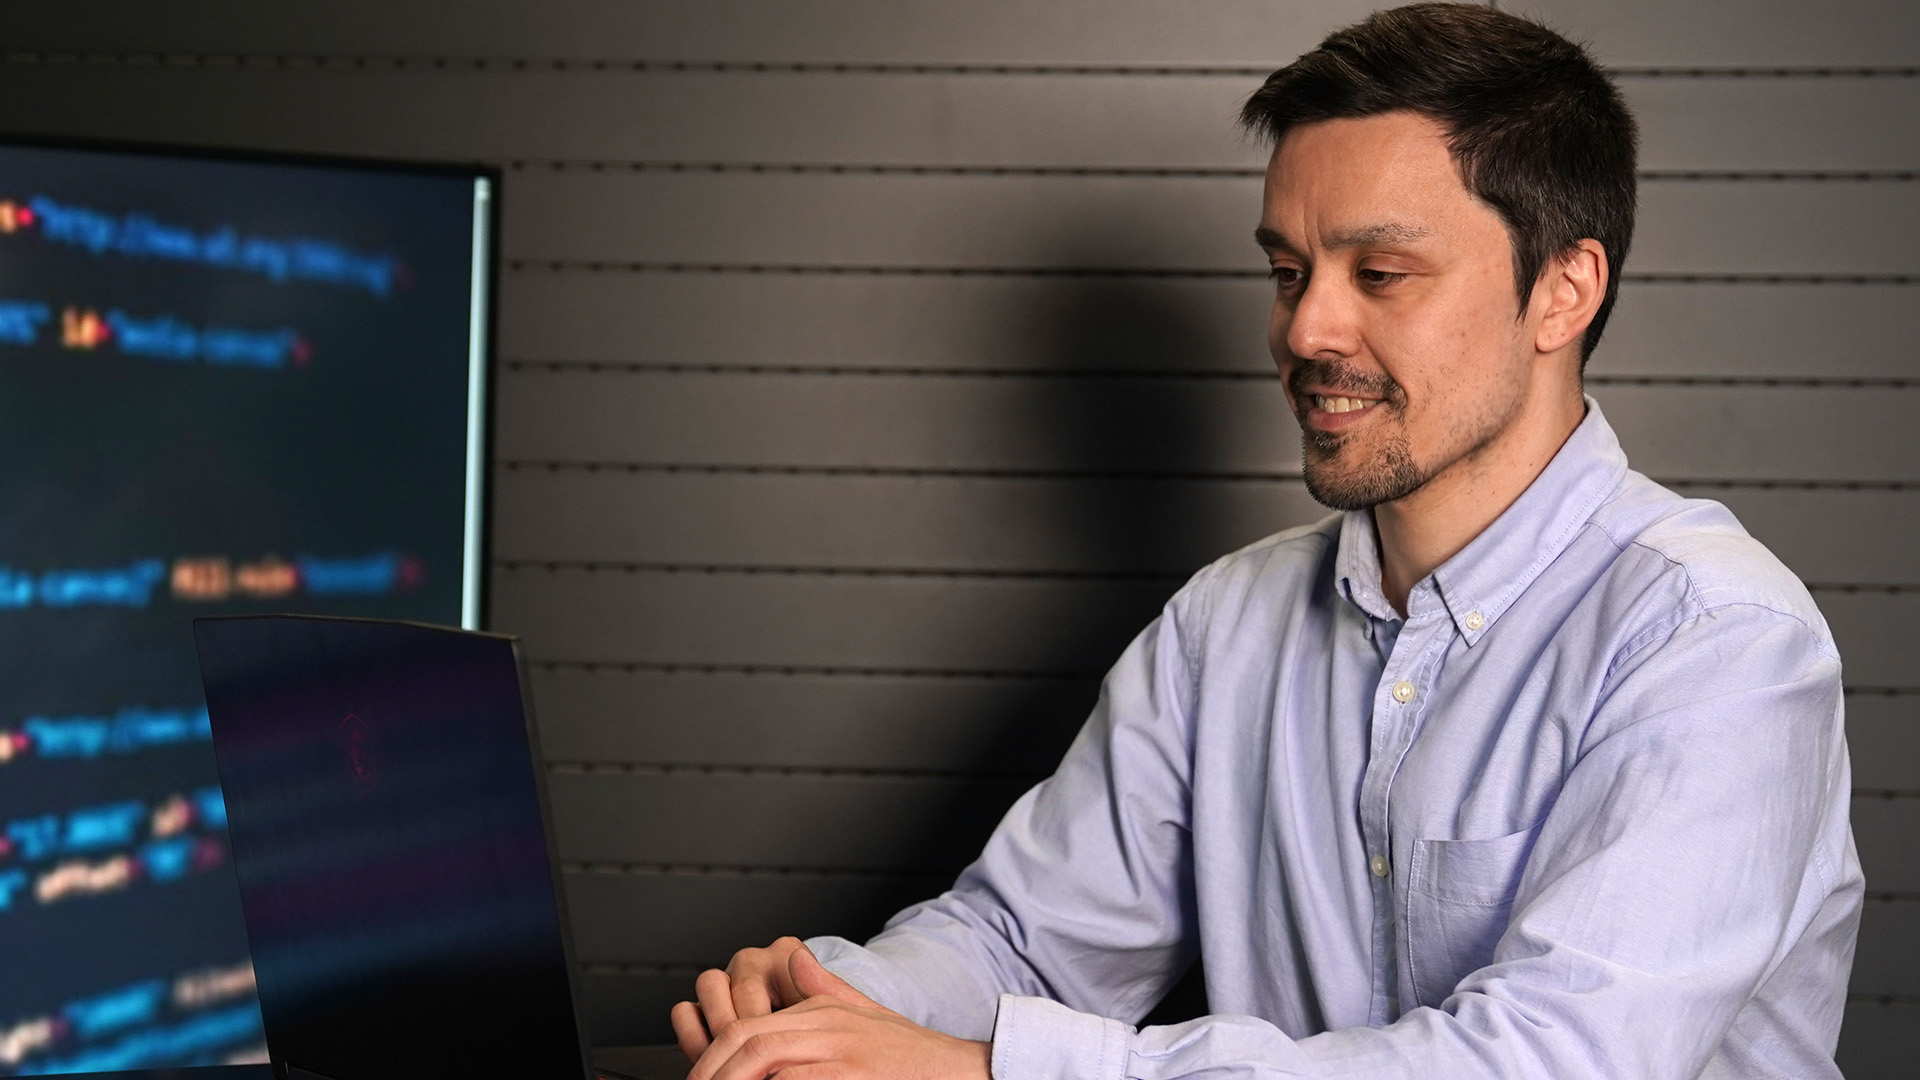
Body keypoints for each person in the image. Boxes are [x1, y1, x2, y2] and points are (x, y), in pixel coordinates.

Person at [669, 4, 1863, 1077]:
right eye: (1289, 271)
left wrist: (992, 1071)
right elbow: (1025, 939)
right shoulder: (1222, 626)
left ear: (1564, 291)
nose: (1305, 329)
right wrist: (836, 1007)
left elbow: (1548, 1063)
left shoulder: (1718, 643)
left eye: (1380, 272)